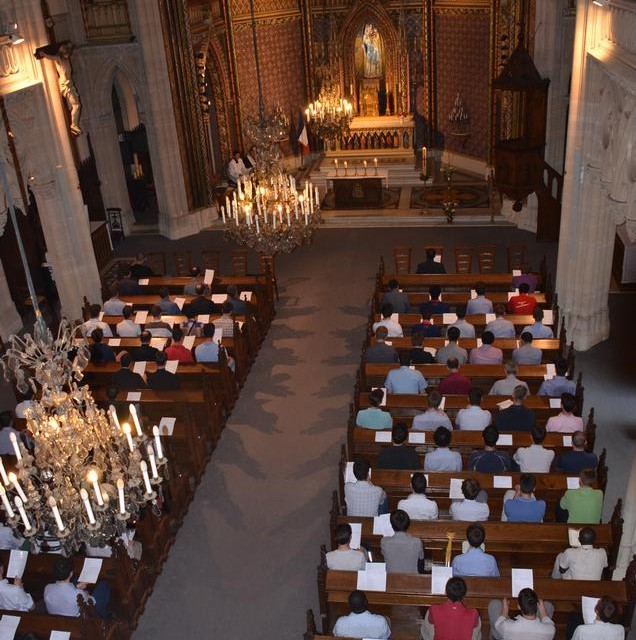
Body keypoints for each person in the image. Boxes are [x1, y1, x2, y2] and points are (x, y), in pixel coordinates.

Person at [44, 557, 111, 618]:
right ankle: (103, 615)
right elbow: (91, 601)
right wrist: (85, 592)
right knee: (104, 585)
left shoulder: (47, 588)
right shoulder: (77, 594)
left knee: (75, 580)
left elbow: (63, 592)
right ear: (71, 573)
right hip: (77, 621)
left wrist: (77, 587)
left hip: (57, 618)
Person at [489, 588, 555, 640]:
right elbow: (548, 621)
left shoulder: (507, 628)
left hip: (508, 632)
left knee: (494, 604)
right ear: (537, 605)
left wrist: (505, 609)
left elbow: (498, 624)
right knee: (548, 605)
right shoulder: (550, 630)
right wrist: (543, 610)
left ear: (519, 607)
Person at [380, 509, 424, 574]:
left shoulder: (384, 542)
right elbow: (421, 557)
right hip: (412, 580)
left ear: (391, 525)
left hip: (391, 579)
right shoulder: (417, 541)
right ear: (408, 524)